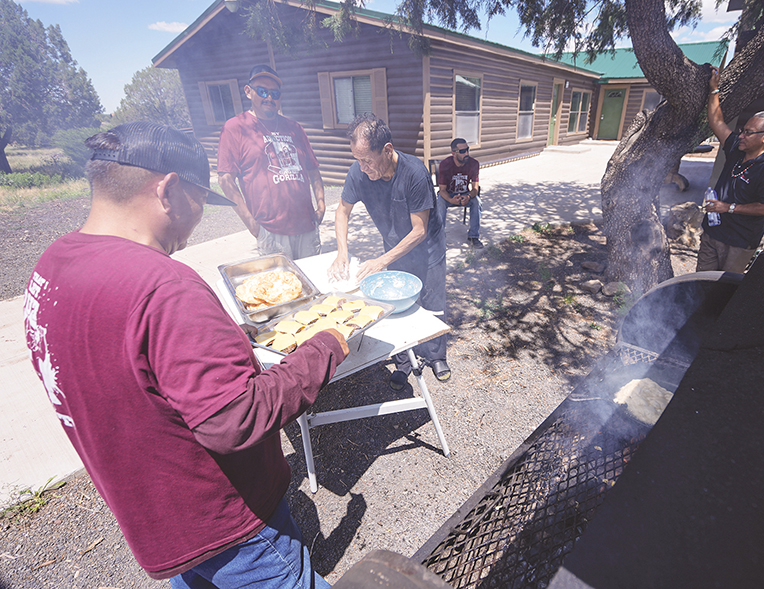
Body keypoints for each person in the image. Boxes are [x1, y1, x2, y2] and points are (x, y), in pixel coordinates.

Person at [23, 122, 348, 588]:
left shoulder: (52, 266)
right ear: (169, 190)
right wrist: (324, 347)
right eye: (199, 201)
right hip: (229, 523)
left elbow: (123, 368)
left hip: (158, 521)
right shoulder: (164, 286)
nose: (196, 223)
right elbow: (234, 419)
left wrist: (223, 340)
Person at [328, 113, 450, 388]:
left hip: (428, 250)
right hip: (394, 250)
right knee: (395, 306)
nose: (362, 168)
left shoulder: (414, 173)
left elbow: (419, 231)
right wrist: (342, 252)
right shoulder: (358, 173)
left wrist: (381, 260)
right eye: (358, 160)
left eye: (367, 161)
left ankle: (436, 356)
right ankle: (404, 361)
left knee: (432, 304)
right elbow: (342, 212)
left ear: (388, 150)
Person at [218, 64, 326, 260]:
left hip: (307, 227)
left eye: (274, 93)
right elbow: (226, 180)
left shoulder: (294, 128)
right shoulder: (235, 128)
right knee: (281, 288)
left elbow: (313, 170)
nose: (269, 98)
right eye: (262, 91)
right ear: (248, 92)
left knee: (314, 283)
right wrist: (252, 225)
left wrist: (321, 205)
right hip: (271, 231)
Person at [698, 66, 764, 273]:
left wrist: (728, 207)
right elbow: (716, 121)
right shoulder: (737, 149)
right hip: (712, 233)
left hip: (739, 241)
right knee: (699, 284)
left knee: (724, 288)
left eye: (748, 133)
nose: (742, 136)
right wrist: (713, 90)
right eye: (742, 131)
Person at [438, 138, 483, 248]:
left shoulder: (474, 163)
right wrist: (450, 199)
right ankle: (438, 237)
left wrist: (468, 196)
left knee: (477, 202)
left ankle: (473, 236)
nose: (466, 153)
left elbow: (475, 189)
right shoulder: (445, 164)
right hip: (449, 195)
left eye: (467, 150)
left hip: (465, 194)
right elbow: (442, 190)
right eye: (463, 151)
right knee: (440, 202)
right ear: (454, 153)